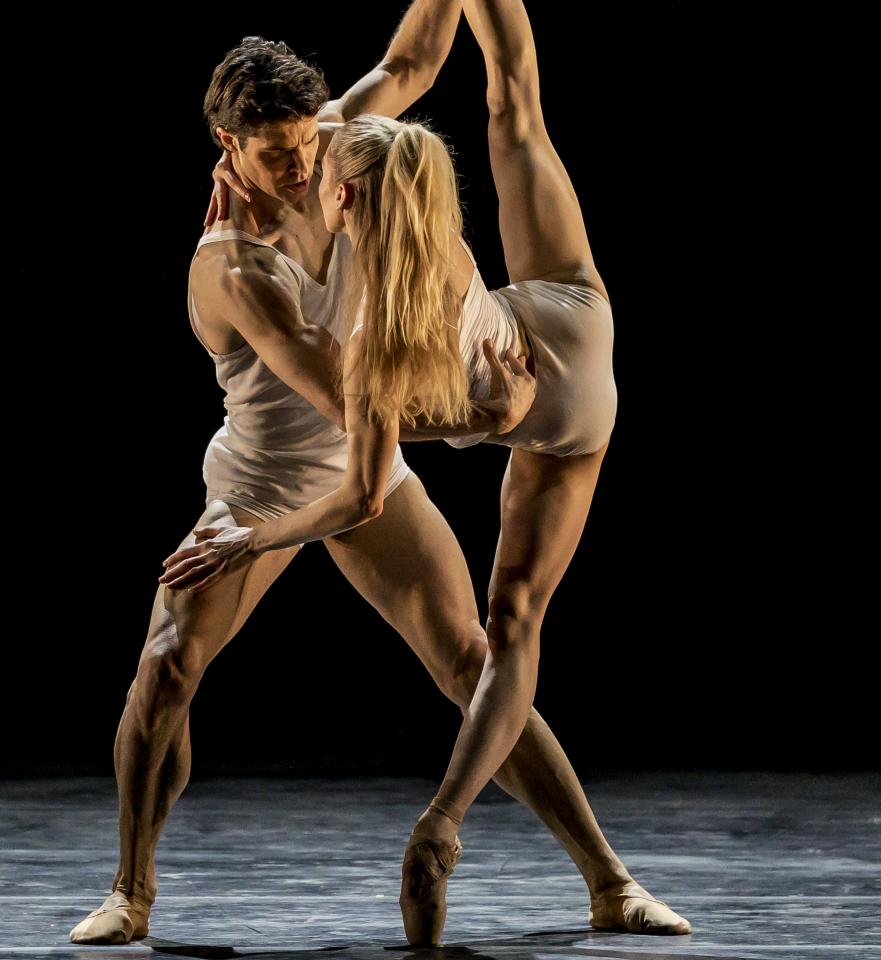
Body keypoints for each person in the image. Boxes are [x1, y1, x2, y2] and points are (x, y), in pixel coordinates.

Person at [157, 0, 687, 945]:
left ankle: (449, 822)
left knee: (507, 633)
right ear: (228, 143)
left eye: (312, 153)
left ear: (344, 185)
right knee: (515, 105)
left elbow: (377, 465)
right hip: (565, 328)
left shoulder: (362, 314)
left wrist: (258, 529)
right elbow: (425, 58)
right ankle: (605, 883)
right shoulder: (386, 202)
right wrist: (488, 413)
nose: (305, 165)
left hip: (537, 394)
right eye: (277, 154)